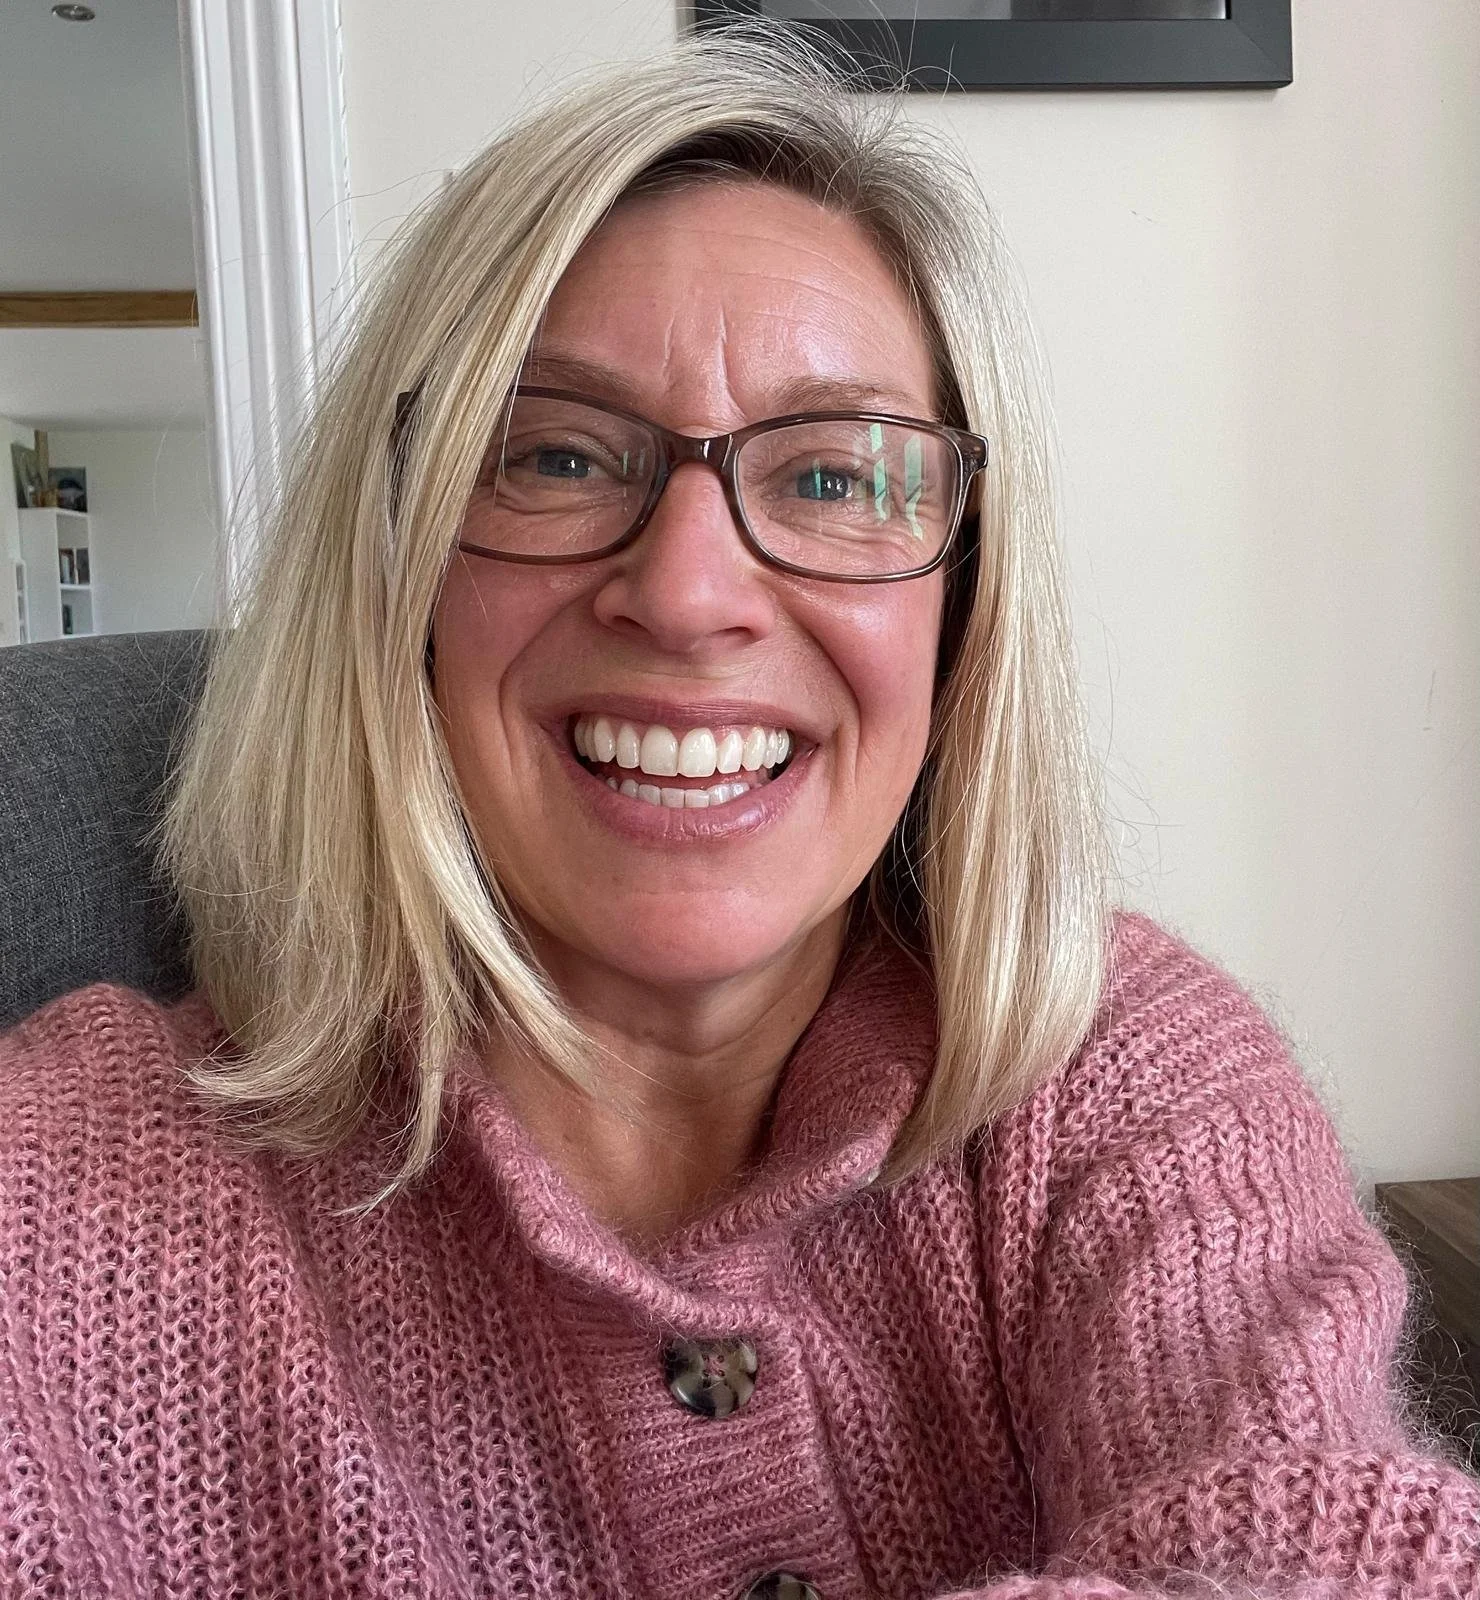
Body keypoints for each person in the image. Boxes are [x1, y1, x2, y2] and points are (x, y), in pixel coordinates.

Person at [1, 31, 1475, 1600]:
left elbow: (1323, 1542)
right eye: (558, 454)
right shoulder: (58, 1188)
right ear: (398, 578)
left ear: (963, 617)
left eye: (835, 479)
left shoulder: (1117, 1079)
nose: (692, 592)